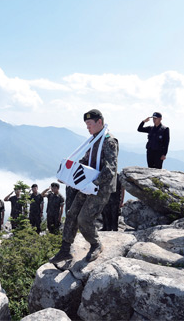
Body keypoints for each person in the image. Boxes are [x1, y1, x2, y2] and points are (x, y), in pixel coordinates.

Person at [50, 109, 119, 264]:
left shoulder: (109, 141)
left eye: (89, 124)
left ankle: (96, 244)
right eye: (86, 125)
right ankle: (65, 250)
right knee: (72, 213)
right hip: (87, 185)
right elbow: (86, 160)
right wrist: (68, 173)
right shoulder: (95, 140)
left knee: (84, 219)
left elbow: (110, 169)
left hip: (101, 188)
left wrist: (93, 184)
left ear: (99, 122)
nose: (87, 128)